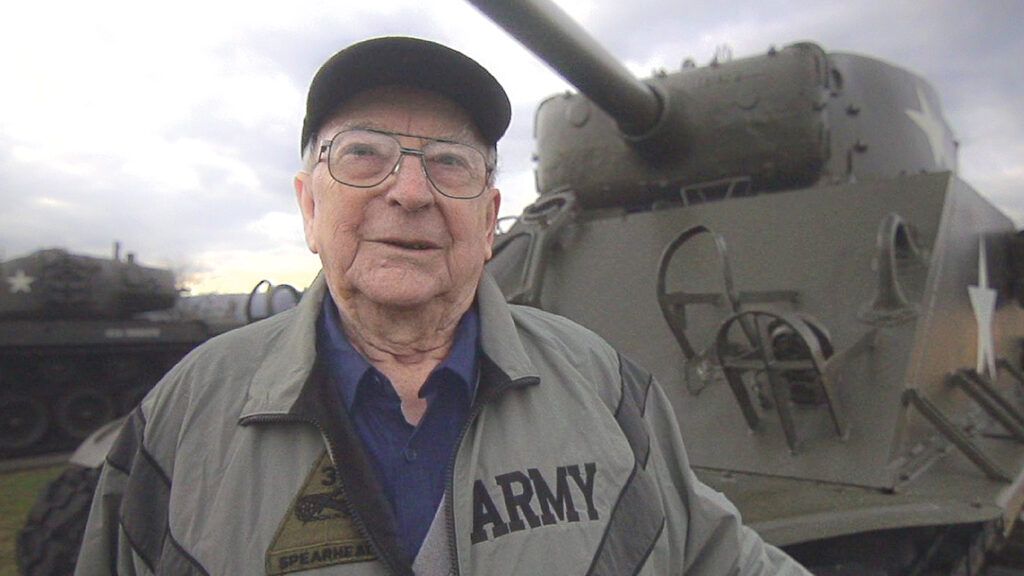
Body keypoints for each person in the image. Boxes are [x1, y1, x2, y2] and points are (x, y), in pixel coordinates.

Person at [75, 37, 811, 575]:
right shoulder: (185, 418)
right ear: (308, 206)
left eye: (449, 162)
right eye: (363, 153)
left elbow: (716, 554)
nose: (411, 191)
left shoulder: (602, 385)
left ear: (490, 219)